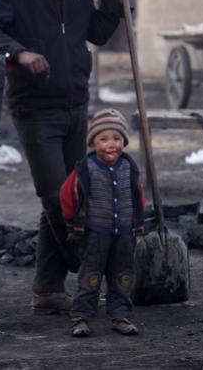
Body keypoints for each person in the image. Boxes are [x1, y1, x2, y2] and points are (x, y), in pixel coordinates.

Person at [0, 0, 128, 314]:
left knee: (62, 195)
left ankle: (47, 289)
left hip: (76, 103)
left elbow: (96, 32)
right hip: (35, 106)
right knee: (59, 197)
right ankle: (91, 266)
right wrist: (19, 52)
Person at [59, 108, 145, 337]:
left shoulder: (129, 167)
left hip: (124, 233)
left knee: (122, 276)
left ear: (124, 142)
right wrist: (72, 223)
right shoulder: (86, 169)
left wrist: (138, 222)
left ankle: (120, 316)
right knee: (91, 276)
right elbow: (68, 195)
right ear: (93, 142)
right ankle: (81, 317)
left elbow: (137, 195)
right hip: (95, 233)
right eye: (104, 139)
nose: (111, 144)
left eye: (117, 138)